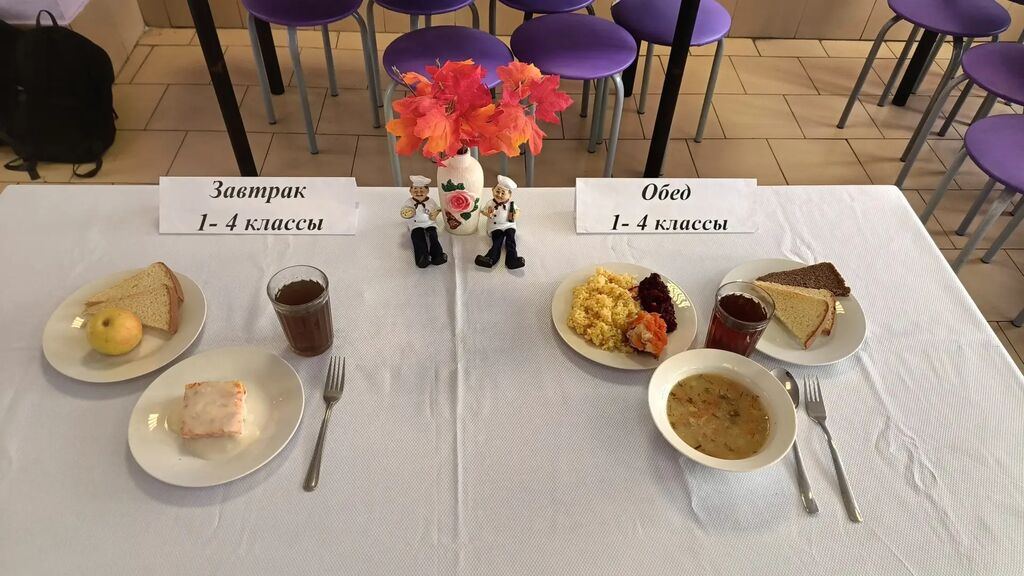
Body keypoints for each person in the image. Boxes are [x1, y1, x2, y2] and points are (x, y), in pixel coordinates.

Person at [475, 175, 525, 270]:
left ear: (509, 195)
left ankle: (512, 260)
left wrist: (515, 215)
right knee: (497, 241)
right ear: (492, 190)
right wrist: (488, 214)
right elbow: (483, 211)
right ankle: (490, 259)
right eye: (497, 191)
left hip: (509, 225)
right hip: (496, 227)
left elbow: (518, 210)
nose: (499, 195)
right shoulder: (490, 203)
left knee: (511, 240)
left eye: (503, 193)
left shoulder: (511, 204)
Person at [400, 175, 447, 268]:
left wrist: (435, 214)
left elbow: (437, 209)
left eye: (421, 190)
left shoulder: (431, 201)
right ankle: (422, 257)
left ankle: (437, 255)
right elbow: (403, 211)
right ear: (410, 191)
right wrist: (407, 213)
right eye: (415, 190)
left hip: (429, 223)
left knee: (433, 236)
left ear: (427, 191)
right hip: (416, 224)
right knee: (417, 238)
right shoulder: (409, 202)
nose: (418, 193)